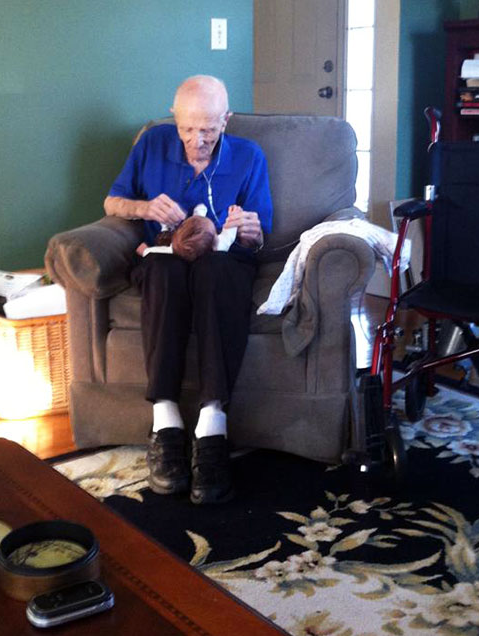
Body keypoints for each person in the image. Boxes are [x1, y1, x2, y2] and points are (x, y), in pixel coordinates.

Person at [104, 75, 273, 504]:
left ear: (225, 120)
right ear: (174, 119)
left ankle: (212, 426)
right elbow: (112, 202)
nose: (197, 141)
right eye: (187, 129)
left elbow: (259, 235)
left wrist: (250, 229)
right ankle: (165, 420)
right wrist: (144, 207)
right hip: (164, 255)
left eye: (209, 130)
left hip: (224, 260)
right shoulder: (151, 143)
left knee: (215, 271)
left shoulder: (249, 156)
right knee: (163, 272)